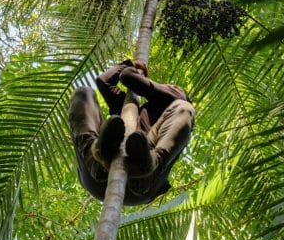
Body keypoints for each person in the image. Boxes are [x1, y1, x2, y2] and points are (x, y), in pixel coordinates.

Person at [68, 59, 195, 206]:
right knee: (83, 93)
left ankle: (151, 165)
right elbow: (103, 81)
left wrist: (133, 69)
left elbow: (128, 77)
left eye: (171, 87)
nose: (168, 88)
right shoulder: (128, 108)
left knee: (184, 108)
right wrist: (128, 64)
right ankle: (95, 158)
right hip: (99, 174)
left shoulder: (178, 98)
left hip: (143, 182)